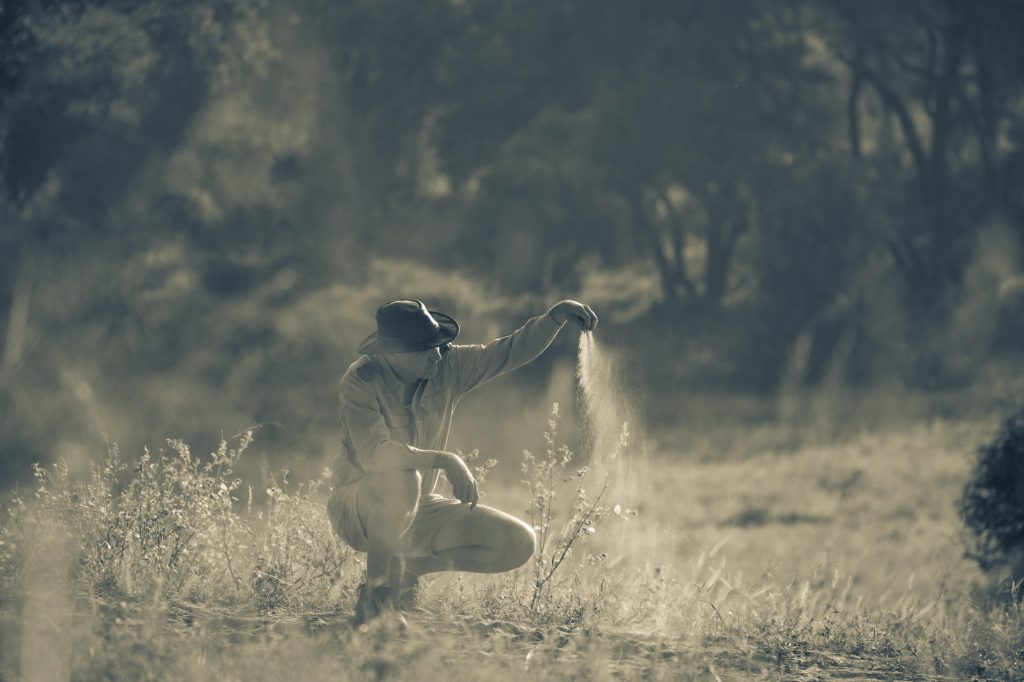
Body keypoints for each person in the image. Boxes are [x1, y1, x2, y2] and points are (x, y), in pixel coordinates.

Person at [327, 298, 598, 625]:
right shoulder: (361, 380)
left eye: (438, 344)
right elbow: (376, 455)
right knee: (404, 477)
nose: (437, 354)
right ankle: (376, 597)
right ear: (394, 353)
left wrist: (555, 317)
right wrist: (446, 461)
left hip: (418, 506)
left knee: (517, 542)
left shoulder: (446, 366)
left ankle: (405, 571)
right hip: (358, 506)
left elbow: (509, 351)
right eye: (425, 348)